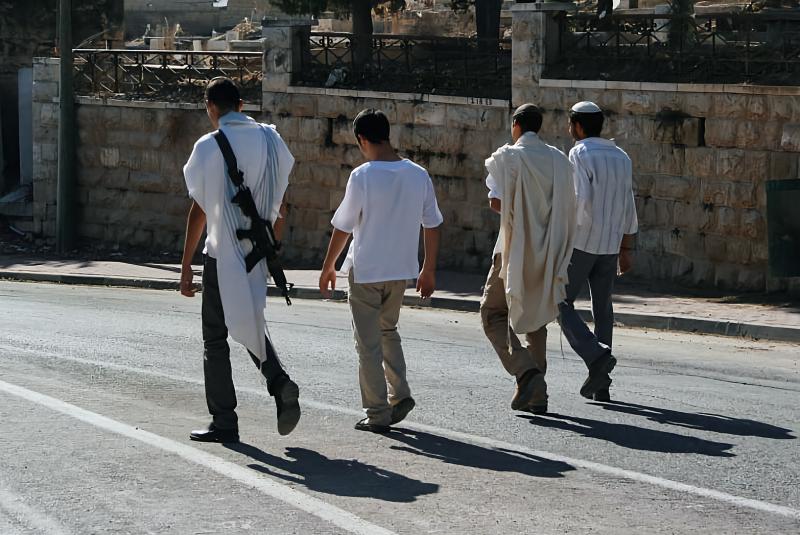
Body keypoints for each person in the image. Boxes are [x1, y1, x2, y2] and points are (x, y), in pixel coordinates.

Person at [180, 77, 300, 443]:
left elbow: (199, 209)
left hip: (222, 255)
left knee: (215, 337)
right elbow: (282, 204)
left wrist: (186, 264)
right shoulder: (271, 139)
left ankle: (224, 421)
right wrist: (271, 246)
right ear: (242, 105)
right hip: (258, 252)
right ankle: (278, 381)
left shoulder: (208, 146)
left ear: (209, 107)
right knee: (246, 316)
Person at [319, 109, 443, 433]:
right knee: (388, 331)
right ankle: (399, 395)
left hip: (367, 270)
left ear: (362, 139)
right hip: (400, 271)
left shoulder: (362, 176)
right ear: (387, 134)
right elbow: (432, 224)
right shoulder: (418, 174)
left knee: (367, 343)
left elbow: (343, 226)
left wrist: (329, 265)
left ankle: (377, 412)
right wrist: (428, 270)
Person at [480, 104, 576, 415]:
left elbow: (496, 201)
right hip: (548, 250)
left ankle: (527, 373)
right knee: (536, 316)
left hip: (512, 249)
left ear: (516, 125)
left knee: (492, 312)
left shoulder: (508, 158)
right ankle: (537, 394)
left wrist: (519, 214)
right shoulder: (560, 161)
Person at [558, 101, 639, 402]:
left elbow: (581, 200)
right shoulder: (621, 156)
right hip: (610, 244)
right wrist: (626, 247)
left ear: (577, 126)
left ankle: (595, 356)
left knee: (559, 300)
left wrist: (567, 237)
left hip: (583, 243)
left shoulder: (579, 153)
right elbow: (628, 202)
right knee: (602, 309)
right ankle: (601, 383)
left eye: (570, 125)